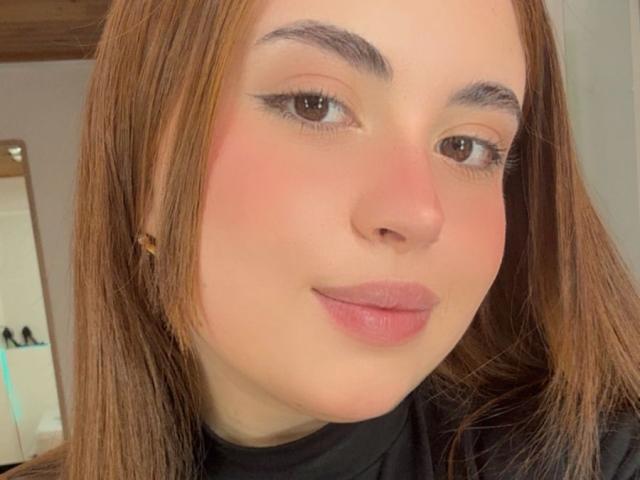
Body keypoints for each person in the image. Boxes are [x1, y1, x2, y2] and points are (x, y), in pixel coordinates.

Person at [4, 0, 640, 479]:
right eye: (315, 104)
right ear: (148, 175)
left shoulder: (590, 457)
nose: (420, 212)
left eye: (466, 145)